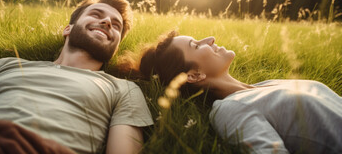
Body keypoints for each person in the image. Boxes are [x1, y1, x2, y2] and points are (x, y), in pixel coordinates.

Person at [0, 0, 153, 154]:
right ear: (67, 29)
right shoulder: (5, 65)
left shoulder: (124, 89)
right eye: (96, 14)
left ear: (115, 49)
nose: (107, 21)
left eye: (116, 25)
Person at [137, 31, 342, 154]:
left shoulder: (267, 84)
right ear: (194, 74)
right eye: (196, 45)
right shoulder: (229, 109)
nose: (210, 38)